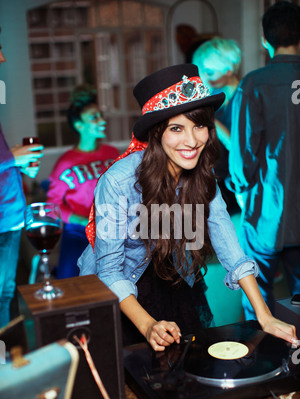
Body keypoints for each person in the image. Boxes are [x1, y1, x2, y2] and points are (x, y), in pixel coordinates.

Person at [78, 64, 297, 351]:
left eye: (199, 125)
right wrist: (148, 325)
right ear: (156, 133)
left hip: (174, 278)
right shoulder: (117, 181)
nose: (192, 141)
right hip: (123, 291)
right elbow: (109, 270)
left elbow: (229, 246)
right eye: (177, 128)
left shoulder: (202, 174)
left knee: (188, 371)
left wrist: (264, 316)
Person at [226, 1, 300, 321]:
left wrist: (242, 190)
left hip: (265, 213)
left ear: (265, 41)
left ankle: (265, 366)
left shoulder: (254, 84)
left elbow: (242, 158)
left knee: (257, 300)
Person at [46, 84, 119, 278]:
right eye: (94, 117)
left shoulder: (112, 154)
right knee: (70, 282)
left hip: (110, 229)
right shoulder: (66, 162)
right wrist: (80, 219)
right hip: (77, 232)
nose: (102, 121)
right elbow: (50, 206)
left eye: (100, 115)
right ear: (79, 125)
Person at [0, 39, 44, 328]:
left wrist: (14, 163)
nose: (2, 58)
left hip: (10, 215)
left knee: (5, 295)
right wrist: (9, 158)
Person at [192, 37, 242, 214]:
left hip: (237, 180)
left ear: (228, 70)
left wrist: (210, 117)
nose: (207, 77)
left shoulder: (244, 97)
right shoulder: (214, 96)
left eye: (210, 72)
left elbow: (236, 144)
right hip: (214, 179)